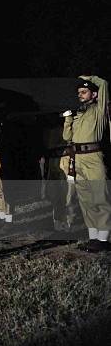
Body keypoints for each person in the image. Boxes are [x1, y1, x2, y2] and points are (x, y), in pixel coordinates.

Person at [63, 76, 111, 252]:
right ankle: (93, 239)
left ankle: (104, 240)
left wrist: (89, 77)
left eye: (84, 92)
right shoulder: (79, 113)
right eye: (79, 93)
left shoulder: (99, 110)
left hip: (93, 157)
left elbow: (104, 84)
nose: (80, 95)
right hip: (78, 158)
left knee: (100, 197)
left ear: (94, 94)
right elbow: (67, 137)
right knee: (85, 200)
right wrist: (68, 119)